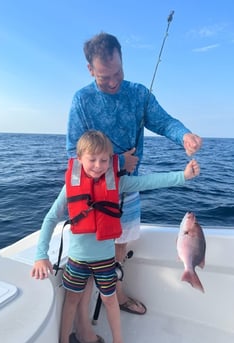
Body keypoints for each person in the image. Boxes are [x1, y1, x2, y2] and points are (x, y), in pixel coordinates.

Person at [66, 32, 202, 321]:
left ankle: (116, 293)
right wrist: (117, 162)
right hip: (94, 197)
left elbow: (164, 121)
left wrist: (184, 135)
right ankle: (87, 307)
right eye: (104, 77)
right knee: (93, 252)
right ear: (90, 69)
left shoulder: (138, 94)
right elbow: (71, 153)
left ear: (122, 61)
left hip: (128, 192)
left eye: (118, 72)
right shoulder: (82, 101)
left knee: (118, 248)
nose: (114, 82)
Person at [31, 130, 200, 343]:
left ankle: (118, 341)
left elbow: (148, 182)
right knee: (71, 301)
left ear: (111, 161)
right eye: (92, 159)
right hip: (77, 260)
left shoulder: (117, 183)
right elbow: (50, 218)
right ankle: (64, 342)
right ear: (79, 158)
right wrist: (40, 255)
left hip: (105, 260)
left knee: (110, 301)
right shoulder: (70, 187)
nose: (98, 165)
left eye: (104, 160)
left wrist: (182, 176)